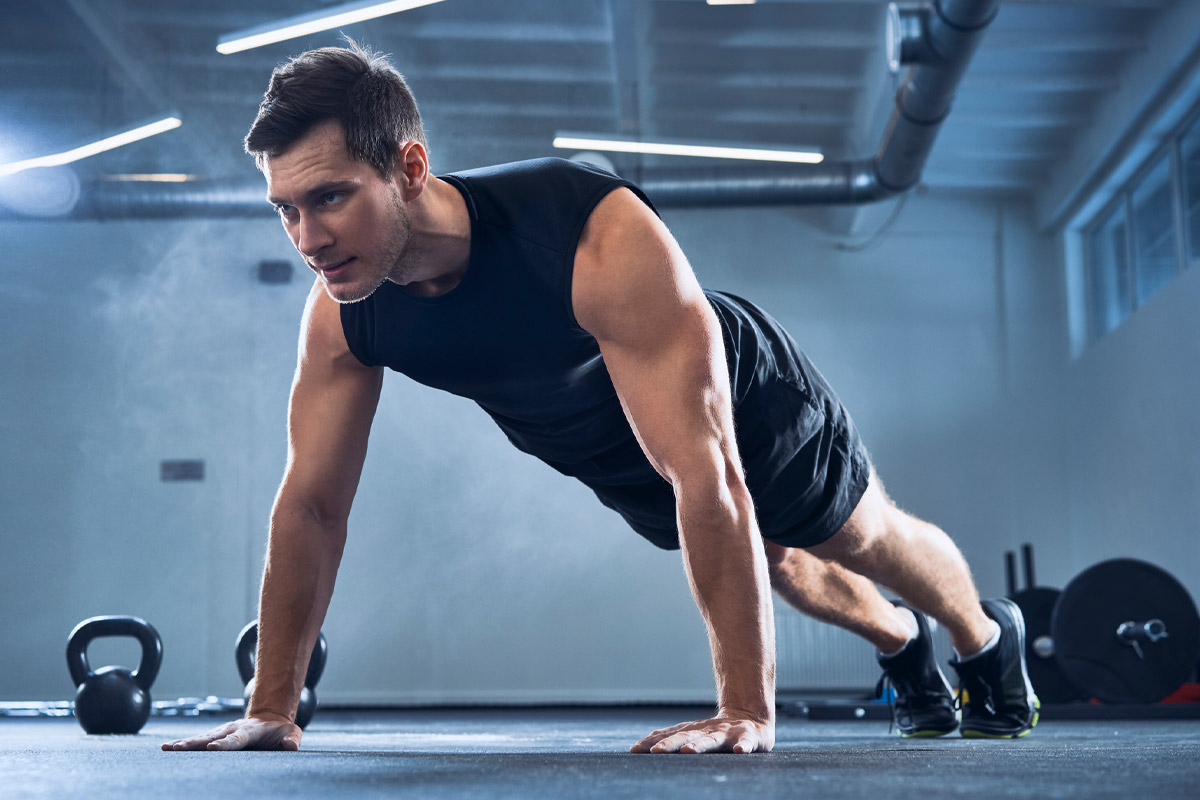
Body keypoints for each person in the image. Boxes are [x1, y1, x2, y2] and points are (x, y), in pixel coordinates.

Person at [163, 42, 1037, 756]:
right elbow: (312, 505)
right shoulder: (345, 315)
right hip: (605, 443)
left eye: (329, 199)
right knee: (778, 565)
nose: (308, 239)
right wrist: (271, 704)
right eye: (285, 210)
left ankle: (984, 639)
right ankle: (899, 643)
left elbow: (708, 469)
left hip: (737, 395)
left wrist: (745, 712)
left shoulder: (586, 230)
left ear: (410, 167)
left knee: (852, 534)